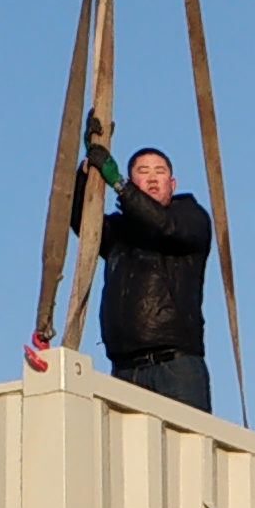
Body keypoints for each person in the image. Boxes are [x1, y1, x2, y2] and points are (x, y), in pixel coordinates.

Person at [92, 140, 215, 412]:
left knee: (188, 449)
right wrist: (87, 169)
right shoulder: (121, 232)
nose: (151, 178)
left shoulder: (189, 217)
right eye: (143, 171)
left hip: (175, 366)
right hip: (125, 369)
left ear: (172, 183)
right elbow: (83, 219)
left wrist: (119, 185)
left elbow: (164, 226)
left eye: (159, 171)